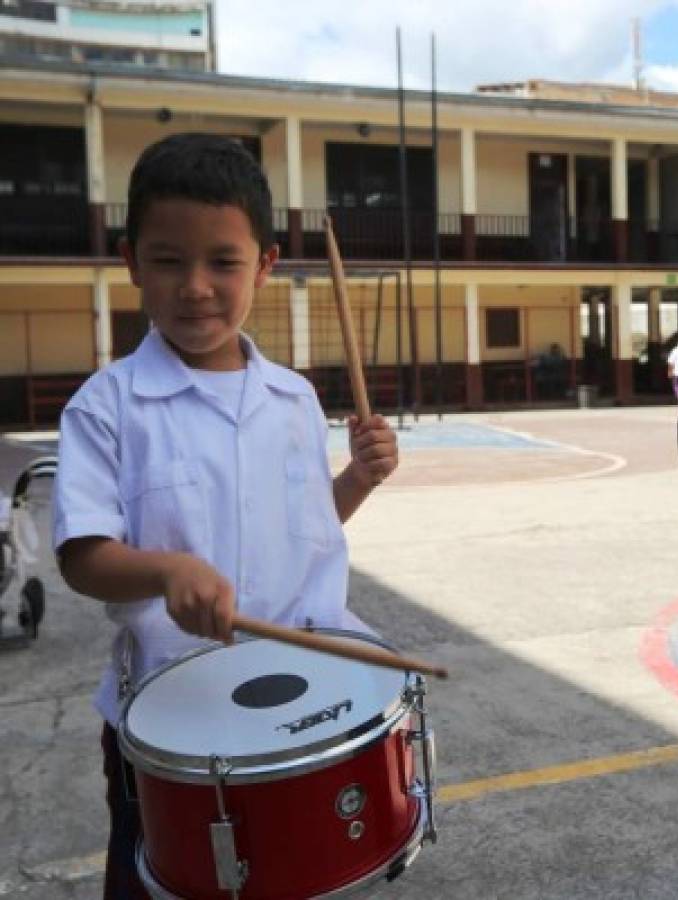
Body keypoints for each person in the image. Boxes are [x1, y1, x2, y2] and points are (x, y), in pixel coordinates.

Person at [52, 133, 400, 899]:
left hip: (304, 692)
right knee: (161, 881)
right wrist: (165, 568)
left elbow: (306, 529)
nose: (197, 286)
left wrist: (358, 480)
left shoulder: (295, 399)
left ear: (266, 265)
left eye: (223, 262)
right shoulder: (107, 407)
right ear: (132, 261)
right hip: (172, 714)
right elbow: (82, 555)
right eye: (170, 261)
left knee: (311, 875)